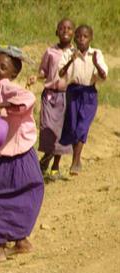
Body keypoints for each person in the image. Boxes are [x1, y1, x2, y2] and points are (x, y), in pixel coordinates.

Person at [0, 45, 44, 265]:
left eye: (2, 67)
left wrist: (3, 106)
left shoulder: (5, 87)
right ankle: (21, 241)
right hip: (10, 155)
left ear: (13, 74)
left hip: (18, 156)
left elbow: (28, 98)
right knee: (16, 194)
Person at [27, 18, 75, 180]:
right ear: (57, 32)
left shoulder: (75, 54)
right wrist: (36, 77)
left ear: (73, 33)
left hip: (66, 96)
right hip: (49, 95)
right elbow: (44, 71)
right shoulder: (50, 52)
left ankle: (54, 165)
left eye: (69, 28)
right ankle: (47, 157)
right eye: (62, 28)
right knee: (47, 128)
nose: (65, 31)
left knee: (61, 132)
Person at [58, 25, 108, 175]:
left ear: (91, 38)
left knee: (83, 125)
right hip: (73, 91)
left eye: (85, 36)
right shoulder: (69, 53)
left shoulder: (96, 53)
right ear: (75, 38)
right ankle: (77, 160)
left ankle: (75, 160)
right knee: (73, 126)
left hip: (89, 93)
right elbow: (60, 73)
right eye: (78, 36)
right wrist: (70, 62)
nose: (81, 39)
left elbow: (104, 76)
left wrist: (96, 63)